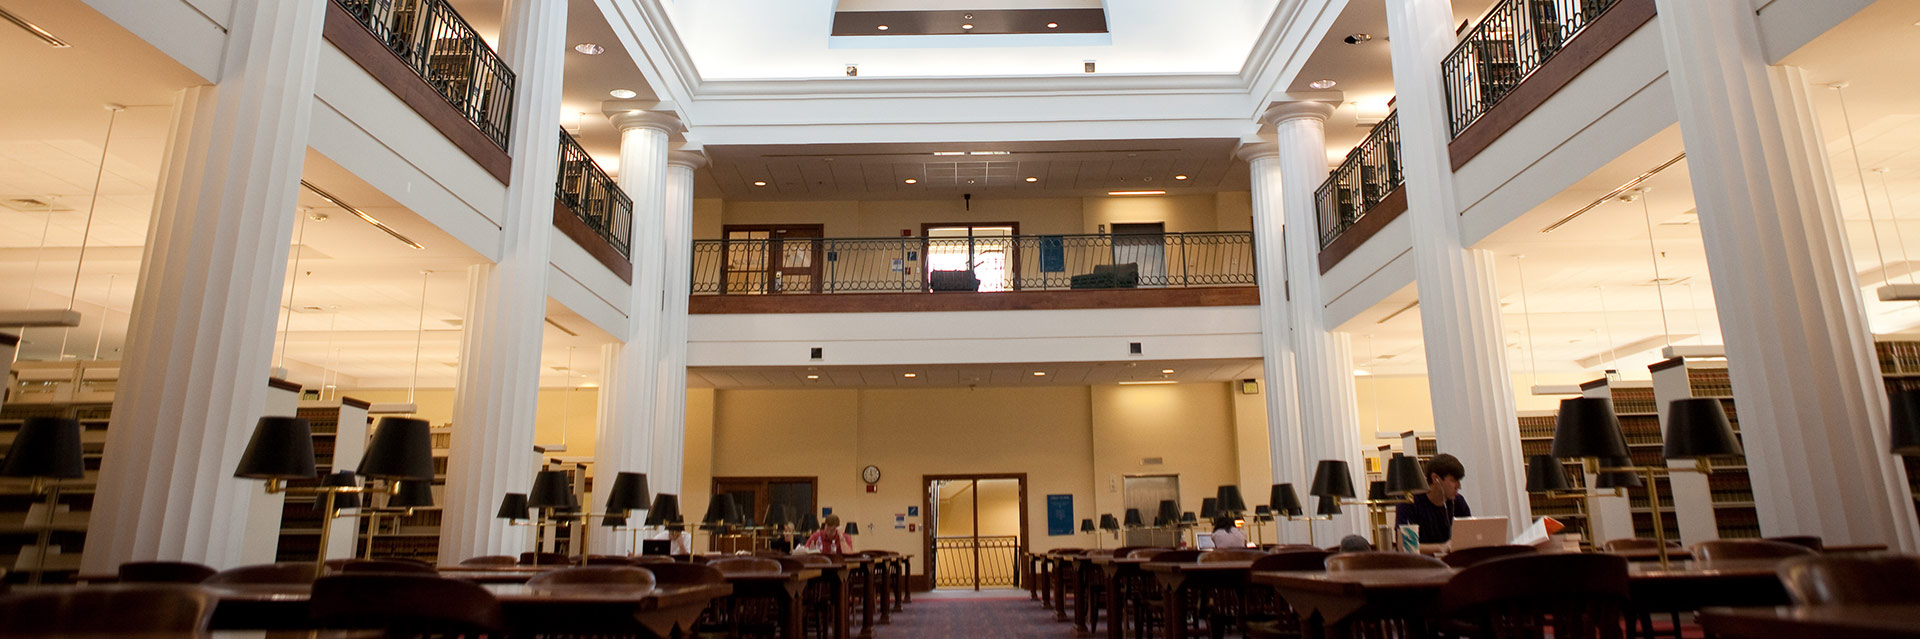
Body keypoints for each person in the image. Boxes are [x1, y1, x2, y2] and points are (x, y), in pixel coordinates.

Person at [1394, 453, 1471, 544]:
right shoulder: (1409, 502)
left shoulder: (1458, 502)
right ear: (1435, 479)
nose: (1459, 486)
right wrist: (1441, 547)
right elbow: (1404, 545)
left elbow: (1469, 537)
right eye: (1454, 480)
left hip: (1454, 557)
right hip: (1422, 558)